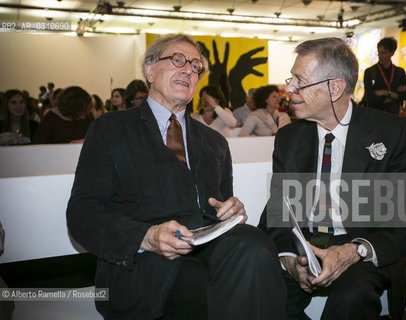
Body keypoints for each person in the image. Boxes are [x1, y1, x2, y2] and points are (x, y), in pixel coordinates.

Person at [66, 33, 287, 320]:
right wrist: (147, 237)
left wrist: (230, 211)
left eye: (196, 66)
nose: (189, 70)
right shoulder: (111, 130)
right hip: (147, 265)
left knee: (257, 245)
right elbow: (83, 214)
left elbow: (217, 209)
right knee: (226, 290)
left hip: (209, 250)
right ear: (149, 70)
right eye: (178, 60)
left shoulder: (214, 142)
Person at [258, 37, 406, 320]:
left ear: (335, 88)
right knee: (258, 295)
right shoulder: (289, 138)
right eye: (291, 78)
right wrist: (288, 259)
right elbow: (277, 211)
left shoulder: (390, 132)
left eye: (300, 80)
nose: (289, 88)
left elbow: (405, 226)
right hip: (305, 248)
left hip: (359, 248)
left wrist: (354, 251)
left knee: (350, 299)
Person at [363, 37, 406, 115]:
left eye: (384, 53)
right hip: (375, 115)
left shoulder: (399, 72)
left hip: (393, 114)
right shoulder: (370, 72)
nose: (380, 56)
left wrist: (383, 92)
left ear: (392, 53)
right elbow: (369, 96)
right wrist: (394, 94)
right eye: (379, 52)